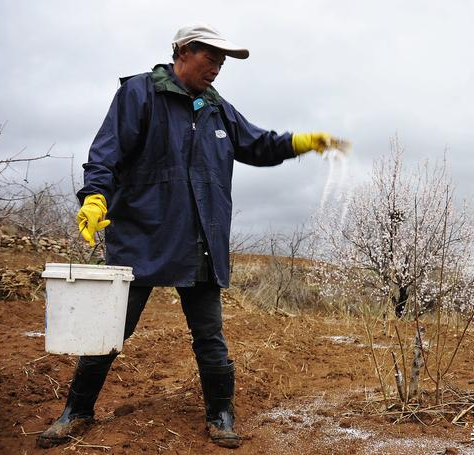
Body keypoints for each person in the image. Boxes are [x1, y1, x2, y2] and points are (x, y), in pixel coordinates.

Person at [37, 23, 343, 449]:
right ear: (182, 51)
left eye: (222, 62)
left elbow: (257, 145)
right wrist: (94, 198)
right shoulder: (140, 93)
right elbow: (105, 153)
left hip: (201, 239)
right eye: (211, 58)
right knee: (109, 331)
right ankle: (77, 411)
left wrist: (299, 142)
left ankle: (221, 415)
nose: (217, 68)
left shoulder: (218, 109)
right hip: (144, 236)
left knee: (210, 337)